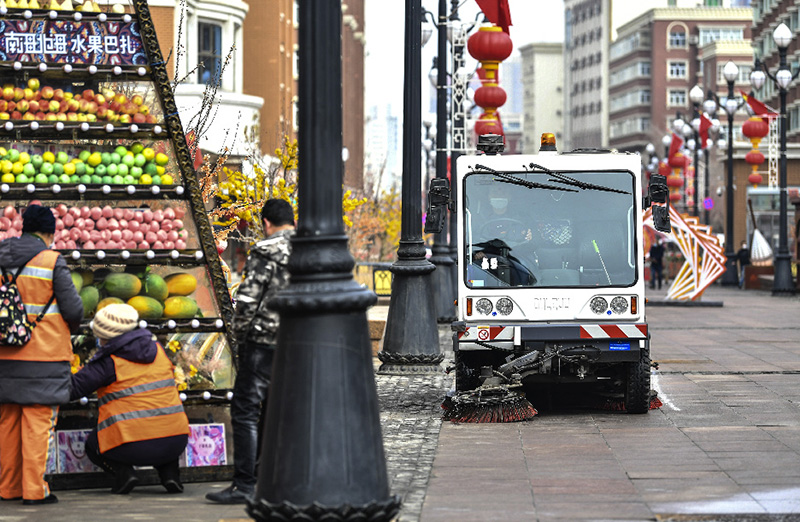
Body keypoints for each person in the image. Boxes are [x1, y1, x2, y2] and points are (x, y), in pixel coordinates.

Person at [206, 198, 295, 504]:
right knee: (275, 411)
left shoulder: (266, 249)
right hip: (296, 344)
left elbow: (247, 301)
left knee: (245, 410)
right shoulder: (312, 249)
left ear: (267, 223)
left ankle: (245, 483)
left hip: (263, 341)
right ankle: (274, 479)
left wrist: (239, 337)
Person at [0, 204, 83, 505]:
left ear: (23, 229)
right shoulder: (51, 260)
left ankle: (8, 488)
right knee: (38, 424)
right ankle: (35, 491)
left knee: (7, 423)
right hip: (44, 356)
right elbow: (74, 309)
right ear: (48, 233)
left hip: (4, 355)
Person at [70, 303, 189, 495]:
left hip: (131, 445)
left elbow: (72, 389)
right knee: (161, 430)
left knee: (93, 445)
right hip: (176, 441)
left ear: (104, 335)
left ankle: (124, 473)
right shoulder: (159, 350)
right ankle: (170, 475)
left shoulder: (108, 362)